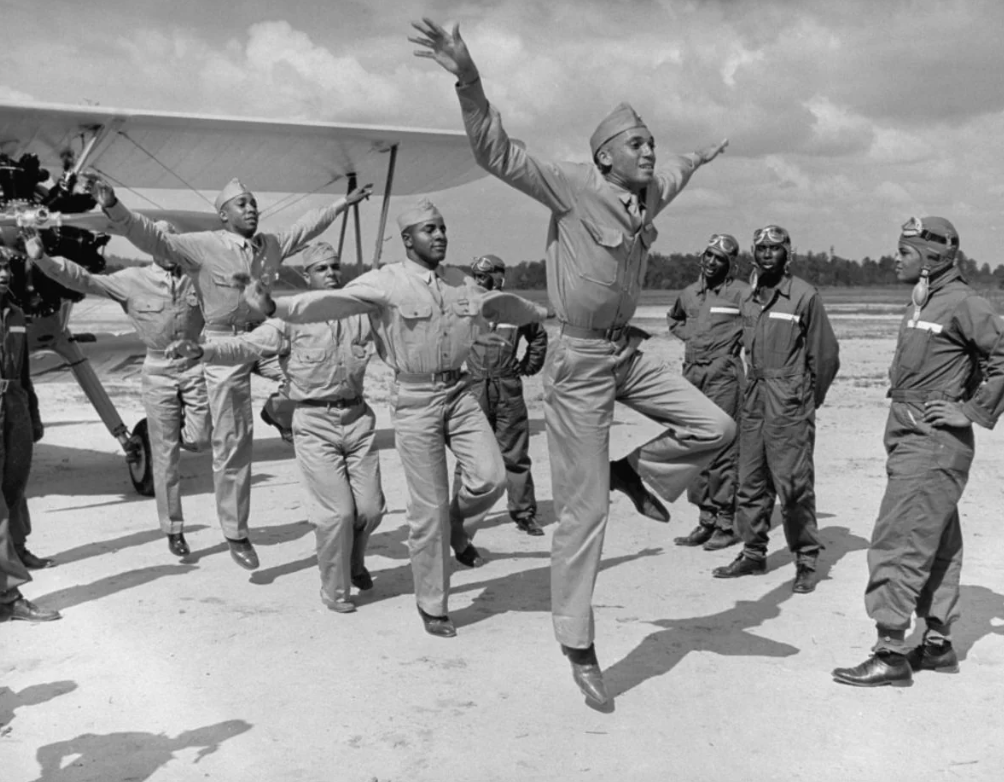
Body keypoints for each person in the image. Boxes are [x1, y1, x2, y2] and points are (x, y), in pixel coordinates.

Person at [411, 19, 736, 706]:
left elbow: (672, 177)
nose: (651, 151)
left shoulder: (645, 194)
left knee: (716, 428)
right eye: (637, 144)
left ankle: (635, 472)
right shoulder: (570, 187)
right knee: (585, 517)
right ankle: (578, 642)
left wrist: (698, 159)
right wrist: (467, 76)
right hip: (580, 361)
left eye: (652, 142)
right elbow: (496, 151)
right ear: (605, 159)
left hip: (628, 354)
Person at [238, 200, 548, 638]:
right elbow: (331, 302)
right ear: (408, 240)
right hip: (415, 397)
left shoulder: (460, 281)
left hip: (458, 391)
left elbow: (498, 306)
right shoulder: (385, 282)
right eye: (428, 230)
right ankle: (433, 604)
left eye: (442, 227)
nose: (439, 235)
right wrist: (276, 309)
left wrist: (545, 313)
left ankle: (457, 528)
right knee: (428, 508)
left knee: (491, 477)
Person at [86, 174, 372, 570]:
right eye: (242, 204)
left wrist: (344, 204)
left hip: (264, 337)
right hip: (224, 347)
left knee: (317, 370)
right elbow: (152, 237)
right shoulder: (203, 246)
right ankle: (232, 533)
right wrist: (113, 206)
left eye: (254, 202)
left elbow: (307, 226)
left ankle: (279, 410)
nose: (252, 208)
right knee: (233, 444)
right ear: (223, 215)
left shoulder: (269, 246)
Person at [166, 241, 385, 614]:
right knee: (338, 514)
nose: (331, 273)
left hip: (358, 419)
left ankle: (353, 560)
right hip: (315, 423)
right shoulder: (289, 319)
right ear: (307, 276)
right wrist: (205, 352)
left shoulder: (362, 316)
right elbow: (246, 346)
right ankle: (335, 590)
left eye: (335, 267)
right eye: (322, 269)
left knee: (372, 509)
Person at [832, 217, 1004, 687]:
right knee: (938, 543)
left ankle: (889, 649)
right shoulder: (926, 300)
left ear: (931, 259)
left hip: (931, 442)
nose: (896, 258)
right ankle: (937, 644)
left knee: (898, 540)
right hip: (912, 436)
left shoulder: (964, 303)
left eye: (904, 252)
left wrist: (971, 410)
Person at [24, 230, 211, 558]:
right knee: (165, 455)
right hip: (158, 369)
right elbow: (83, 280)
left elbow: (241, 290)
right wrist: (42, 259)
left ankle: (169, 437)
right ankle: (174, 530)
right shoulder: (131, 280)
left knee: (200, 439)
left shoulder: (200, 278)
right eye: (161, 243)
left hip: (193, 368)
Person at [712, 225, 840, 594]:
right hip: (754, 393)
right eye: (762, 248)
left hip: (788, 398)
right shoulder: (751, 297)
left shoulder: (804, 296)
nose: (767, 254)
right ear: (754, 254)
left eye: (775, 248)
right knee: (749, 479)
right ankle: (753, 552)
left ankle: (806, 560)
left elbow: (826, 356)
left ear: (788, 253)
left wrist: (806, 399)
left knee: (793, 484)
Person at [667, 233, 749, 551]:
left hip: (723, 377)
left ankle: (728, 522)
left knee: (724, 449)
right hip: (693, 376)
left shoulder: (741, 293)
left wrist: (737, 345)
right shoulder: (689, 294)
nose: (712, 262)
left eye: (720, 258)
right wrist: (689, 336)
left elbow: (758, 324)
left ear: (730, 265)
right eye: (709, 255)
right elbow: (674, 318)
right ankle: (707, 520)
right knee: (696, 447)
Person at [458, 254, 547, 537]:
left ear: (501, 277)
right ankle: (459, 515)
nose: (483, 280)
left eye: (489, 275)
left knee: (515, 454)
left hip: (507, 388)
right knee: (468, 455)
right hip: (473, 388)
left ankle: (523, 513)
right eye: (478, 275)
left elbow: (538, 336)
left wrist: (529, 365)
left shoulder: (515, 308)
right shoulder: (465, 307)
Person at [0, 247, 60, 622]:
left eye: (5, 267)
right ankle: (8, 597)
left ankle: (17, 549)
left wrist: (32, 414)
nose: (4, 274)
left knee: (15, 487)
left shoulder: (16, 315)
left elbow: (22, 371)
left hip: (15, 405)